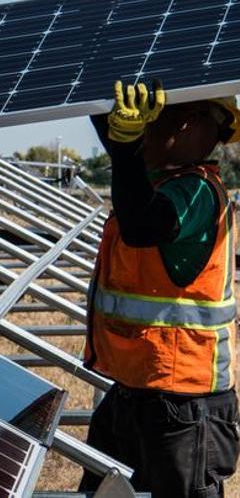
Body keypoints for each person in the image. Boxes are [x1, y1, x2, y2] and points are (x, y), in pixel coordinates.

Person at [80, 79, 240, 497]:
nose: (140, 128)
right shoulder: (156, 181)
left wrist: (128, 141)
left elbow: (141, 223)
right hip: (135, 391)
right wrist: (91, 76)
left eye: (152, 118)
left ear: (187, 124)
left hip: (183, 404)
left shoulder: (197, 191)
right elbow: (123, 155)